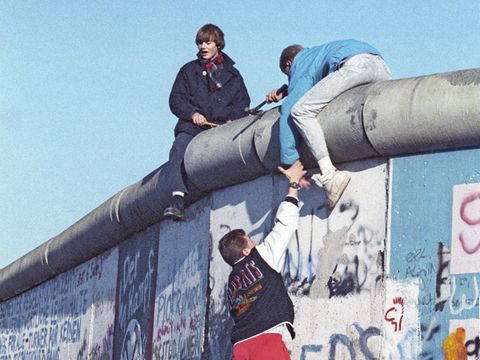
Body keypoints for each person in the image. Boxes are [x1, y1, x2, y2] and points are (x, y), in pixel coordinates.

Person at [266, 39, 392, 208]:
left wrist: (290, 162)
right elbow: (323, 83)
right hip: (380, 66)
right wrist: (288, 90)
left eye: (288, 74)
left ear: (289, 63)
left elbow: (290, 108)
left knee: (300, 111)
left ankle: (330, 176)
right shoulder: (316, 54)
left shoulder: (300, 63)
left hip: (355, 67)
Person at [218, 160, 306, 360]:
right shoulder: (262, 258)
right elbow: (285, 224)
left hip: (240, 348)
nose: (256, 243)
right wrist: (293, 184)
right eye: (251, 241)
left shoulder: (232, 283)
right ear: (247, 251)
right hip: (265, 341)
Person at [163, 24, 250, 220]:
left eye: (207, 42)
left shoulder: (233, 75)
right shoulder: (188, 70)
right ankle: (177, 199)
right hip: (192, 127)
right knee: (178, 150)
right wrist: (192, 113)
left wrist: (231, 120)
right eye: (200, 43)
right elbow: (176, 99)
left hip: (221, 128)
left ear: (217, 45)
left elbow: (243, 103)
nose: (203, 46)